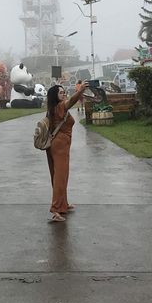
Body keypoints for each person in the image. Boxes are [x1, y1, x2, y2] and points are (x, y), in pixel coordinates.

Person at [44, 81, 88, 222]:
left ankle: (63, 204)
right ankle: (56, 209)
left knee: (60, 176)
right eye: (61, 92)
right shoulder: (60, 107)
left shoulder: (54, 108)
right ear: (55, 96)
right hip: (60, 145)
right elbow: (73, 101)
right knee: (60, 177)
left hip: (58, 144)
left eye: (64, 92)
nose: (64, 94)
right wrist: (80, 91)